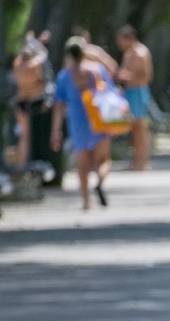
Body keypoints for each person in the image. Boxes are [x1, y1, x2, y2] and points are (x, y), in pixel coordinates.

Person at [50, 38, 113, 210]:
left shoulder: (64, 76)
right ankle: (99, 182)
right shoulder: (98, 70)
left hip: (78, 120)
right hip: (99, 118)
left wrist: (56, 131)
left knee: (82, 163)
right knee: (103, 160)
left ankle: (86, 201)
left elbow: (59, 105)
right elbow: (109, 89)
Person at [115, 25, 154, 170]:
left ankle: (143, 161)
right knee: (134, 128)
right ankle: (137, 160)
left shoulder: (140, 53)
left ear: (128, 38)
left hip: (138, 91)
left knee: (140, 127)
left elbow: (145, 74)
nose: (119, 44)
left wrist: (123, 75)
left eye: (121, 40)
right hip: (130, 92)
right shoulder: (129, 53)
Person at [12, 33, 50, 170]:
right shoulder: (34, 65)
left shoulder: (17, 65)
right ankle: (28, 164)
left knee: (23, 136)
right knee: (31, 136)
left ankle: (22, 165)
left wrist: (31, 40)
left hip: (21, 102)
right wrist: (36, 41)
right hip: (34, 103)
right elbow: (43, 53)